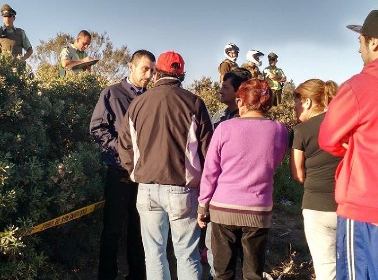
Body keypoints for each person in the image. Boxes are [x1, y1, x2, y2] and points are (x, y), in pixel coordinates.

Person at [118, 51, 213, 280]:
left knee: (154, 254)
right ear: (181, 75)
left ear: (157, 72)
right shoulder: (194, 103)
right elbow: (208, 150)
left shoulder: (138, 103)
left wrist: (134, 173)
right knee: (187, 254)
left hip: (147, 188)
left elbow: (125, 144)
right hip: (183, 188)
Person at [198, 79, 287, 280]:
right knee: (253, 273)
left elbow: (211, 170)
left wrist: (203, 204)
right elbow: (276, 161)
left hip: (224, 208)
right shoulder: (279, 130)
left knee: (223, 272)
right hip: (258, 209)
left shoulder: (224, 128)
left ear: (241, 102)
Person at [319, 10, 378, 280]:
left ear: (373, 43)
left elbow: (328, 139)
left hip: (364, 208)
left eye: (360, 41)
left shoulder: (358, 87)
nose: (358, 49)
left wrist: (352, 148)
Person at [89, 49, 156, 280]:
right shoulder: (111, 94)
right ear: (131, 66)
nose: (148, 75)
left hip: (144, 175)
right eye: (144, 68)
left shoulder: (151, 98)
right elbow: (97, 128)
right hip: (119, 173)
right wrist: (121, 153)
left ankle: (137, 275)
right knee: (112, 230)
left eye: (152, 70)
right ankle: (107, 276)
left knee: (139, 231)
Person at [290, 79, 340, 280]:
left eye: (296, 102)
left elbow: (298, 174)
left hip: (316, 206)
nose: (294, 108)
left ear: (308, 102)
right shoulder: (343, 123)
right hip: (346, 203)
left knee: (326, 265)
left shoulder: (301, 131)